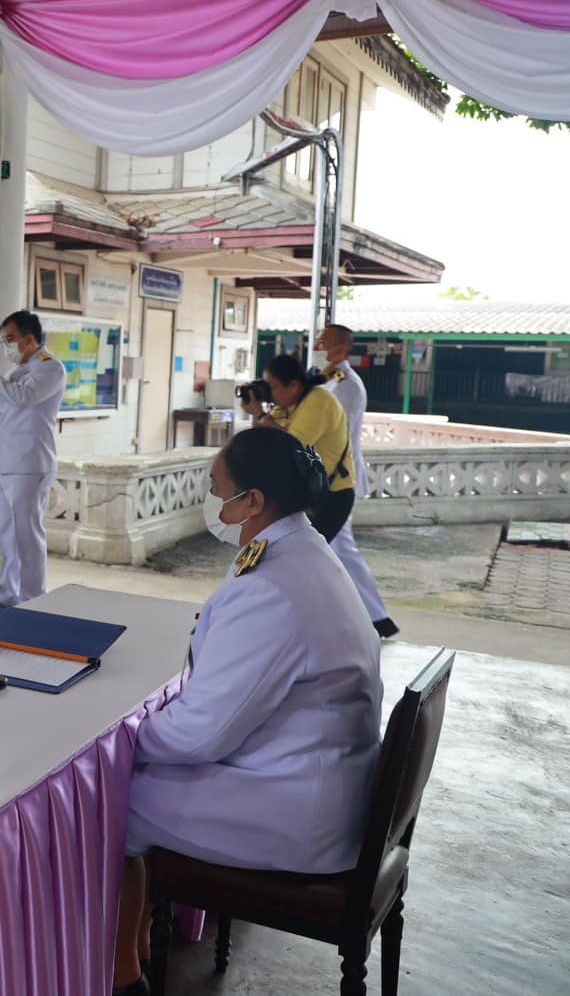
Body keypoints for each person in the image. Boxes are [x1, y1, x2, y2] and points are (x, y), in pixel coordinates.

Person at [111, 427, 382, 996]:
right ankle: (136, 943)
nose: (209, 499)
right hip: (317, 779)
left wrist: (122, 741)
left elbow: (200, 737)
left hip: (296, 810)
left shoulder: (273, 586)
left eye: (216, 488)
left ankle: (124, 975)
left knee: (111, 805)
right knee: (141, 773)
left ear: (253, 501)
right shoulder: (302, 552)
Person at [0, 310, 67, 616]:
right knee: (7, 533)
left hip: (31, 463)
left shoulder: (50, 369)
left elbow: (22, 398)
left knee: (27, 535)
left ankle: (33, 600)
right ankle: (8, 596)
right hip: (6, 463)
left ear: (30, 339)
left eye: (10, 340)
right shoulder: (16, 373)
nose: (7, 347)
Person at [314, 325, 398, 639]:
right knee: (333, 550)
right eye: (320, 339)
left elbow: (335, 433)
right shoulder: (324, 378)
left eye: (326, 341)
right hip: (327, 478)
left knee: (340, 548)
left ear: (342, 350)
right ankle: (364, 616)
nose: (319, 344)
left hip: (339, 479)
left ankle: (377, 617)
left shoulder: (345, 384)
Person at [242, 351, 356, 543]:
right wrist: (256, 412)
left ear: (294, 385)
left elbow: (292, 445)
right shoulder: (285, 406)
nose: (270, 393)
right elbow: (263, 439)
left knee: (307, 552)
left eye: (273, 387)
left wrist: (262, 416)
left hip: (332, 495)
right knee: (291, 551)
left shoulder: (319, 401)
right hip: (305, 492)